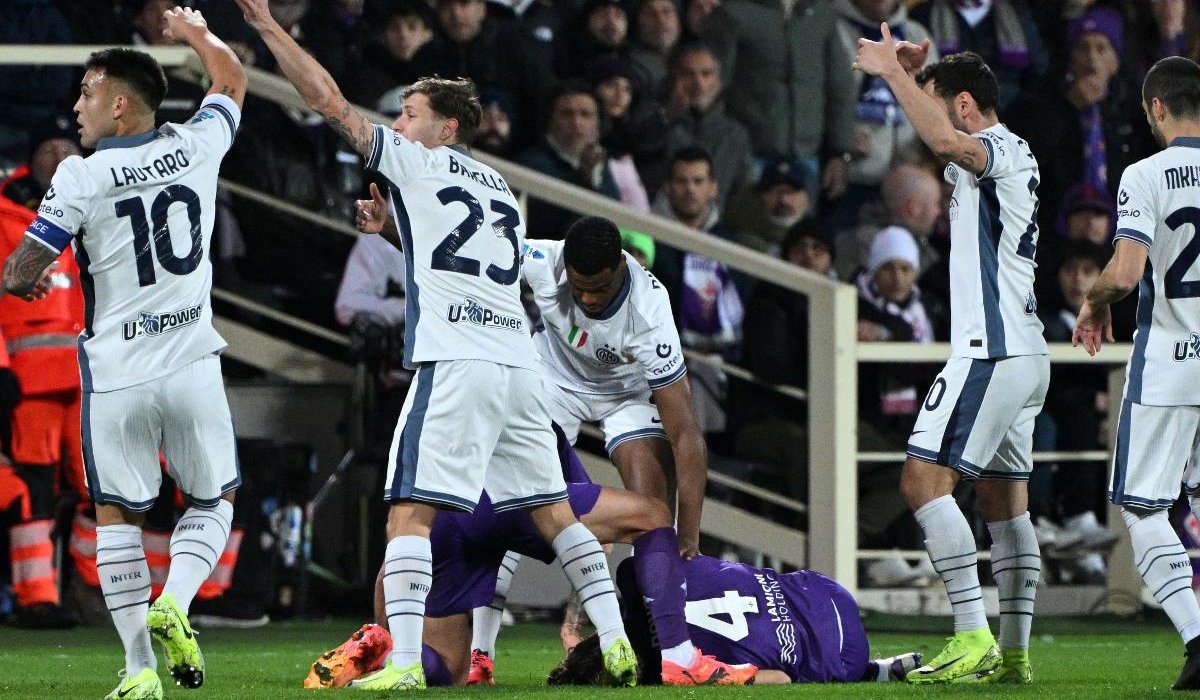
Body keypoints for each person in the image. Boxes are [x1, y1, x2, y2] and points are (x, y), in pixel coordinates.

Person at [235, 0, 639, 690]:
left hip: (455, 363)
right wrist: (394, 230)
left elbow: (327, 99)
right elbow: (471, 264)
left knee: (408, 515)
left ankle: (402, 668)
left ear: (445, 127)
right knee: (553, 511)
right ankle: (619, 644)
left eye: (409, 114)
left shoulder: (417, 163)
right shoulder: (504, 192)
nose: (398, 124)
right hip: (517, 367)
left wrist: (269, 28)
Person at [1, 8, 246, 700]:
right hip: (193, 359)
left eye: (85, 92)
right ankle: (179, 599)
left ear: (117, 103)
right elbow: (231, 80)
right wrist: (197, 34)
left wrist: (24, 272)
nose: (75, 106)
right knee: (213, 500)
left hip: (114, 376)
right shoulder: (199, 144)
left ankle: (139, 672)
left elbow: (23, 275)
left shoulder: (79, 176)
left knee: (117, 519)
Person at [854, 39, 1049, 683]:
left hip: (990, 351)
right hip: (1023, 353)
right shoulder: (994, 158)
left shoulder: (996, 150)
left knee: (921, 481)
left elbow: (944, 141)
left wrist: (889, 74)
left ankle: (972, 636)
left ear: (964, 105)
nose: (930, 118)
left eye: (940, 105)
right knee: (1005, 504)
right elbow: (933, 137)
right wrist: (912, 78)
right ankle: (1015, 655)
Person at [305, 426, 756, 688]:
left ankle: (381, 649)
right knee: (653, 515)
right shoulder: (531, 381)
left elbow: (400, 544)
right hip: (515, 498)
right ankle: (678, 658)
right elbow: (586, 538)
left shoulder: (439, 386)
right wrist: (580, 617)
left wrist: (386, 613)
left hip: (449, 517)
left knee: (448, 668)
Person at [1072, 55, 1200, 691]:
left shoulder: (1146, 173)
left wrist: (1093, 303)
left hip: (1170, 366)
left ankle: (1199, 638)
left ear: (1155, 109)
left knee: (1143, 507)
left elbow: (1124, 274)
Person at [550, 555, 921, 685]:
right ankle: (876, 672)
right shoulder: (639, 573)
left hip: (844, 655)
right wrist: (574, 623)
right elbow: (592, 557)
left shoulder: (676, 672)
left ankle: (868, 671)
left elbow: (780, 678)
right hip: (826, 590)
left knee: (792, 666)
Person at [0, 127, 85, 630]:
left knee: (103, 487)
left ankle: (95, 591)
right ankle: (37, 597)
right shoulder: (5, 217)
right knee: (33, 486)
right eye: (47, 147)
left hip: (92, 374)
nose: (58, 153)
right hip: (30, 379)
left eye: (67, 148)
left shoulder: (97, 207)